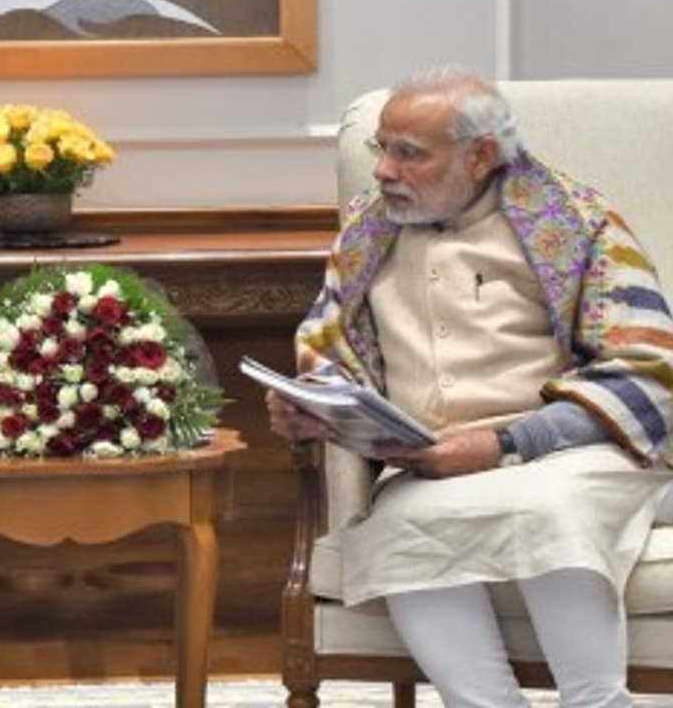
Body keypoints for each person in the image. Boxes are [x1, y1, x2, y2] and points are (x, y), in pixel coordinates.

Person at [266, 65, 673, 707]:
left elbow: (648, 369)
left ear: (480, 155)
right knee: (402, 528)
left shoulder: (575, 224)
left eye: (409, 153)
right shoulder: (365, 232)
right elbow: (332, 351)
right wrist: (311, 407)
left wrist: (503, 443)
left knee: (546, 511)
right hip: (428, 462)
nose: (384, 171)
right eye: (380, 148)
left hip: (568, 454)